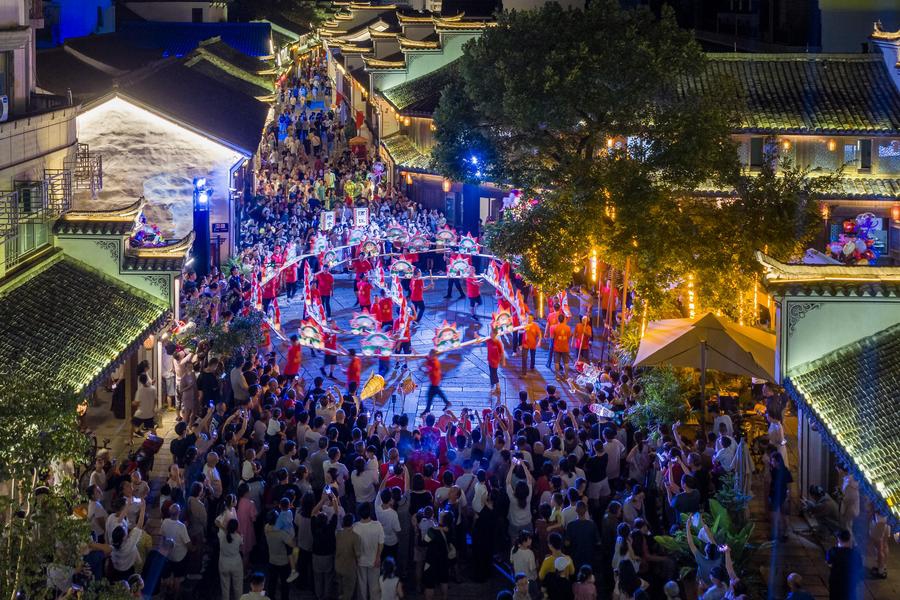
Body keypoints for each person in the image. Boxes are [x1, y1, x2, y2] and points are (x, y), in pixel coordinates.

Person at [353, 502, 384, 600]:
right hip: (374, 561)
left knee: (361, 587)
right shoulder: (377, 525)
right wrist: (378, 557)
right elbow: (381, 543)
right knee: (374, 587)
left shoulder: (355, 527)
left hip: (360, 561)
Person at [826, 529, 863, 600]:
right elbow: (859, 567)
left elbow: (829, 563)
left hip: (836, 582)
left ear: (838, 539)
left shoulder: (833, 551)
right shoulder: (855, 553)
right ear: (849, 539)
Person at [336, 514, 361, 600]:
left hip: (338, 566)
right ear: (352, 523)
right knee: (348, 591)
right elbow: (358, 554)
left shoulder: (338, 534)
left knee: (340, 589)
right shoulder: (355, 536)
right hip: (349, 568)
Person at [219, 518, 243, 600]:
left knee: (225, 587)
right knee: (238, 587)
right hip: (236, 563)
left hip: (223, 564)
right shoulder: (238, 537)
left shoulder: (222, 536)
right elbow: (241, 546)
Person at [421, 350, 449, 414]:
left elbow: (428, 372)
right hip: (435, 381)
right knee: (436, 393)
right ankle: (447, 402)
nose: (429, 356)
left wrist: (422, 370)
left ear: (433, 355)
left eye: (430, 355)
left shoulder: (434, 363)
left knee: (431, 395)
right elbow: (428, 359)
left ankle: (428, 409)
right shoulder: (433, 359)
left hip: (434, 381)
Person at [486, 330, 506, 403]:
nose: (490, 334)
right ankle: (493, 387)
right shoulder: (488, 340)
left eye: (491, 333)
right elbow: (480, 340)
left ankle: (498, 387)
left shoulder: (498, 342)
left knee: (494, 374)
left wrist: (503, 361)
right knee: (491, 373)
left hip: (495, 361)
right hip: (490, 360)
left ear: (495, 334)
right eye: (490, 333)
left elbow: (502, 352)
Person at [552, 314, 572, 378]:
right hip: (565, 348)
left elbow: (552, 337)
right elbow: (569, 337)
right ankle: (566, 376)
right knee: (566, 363)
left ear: (558, 319)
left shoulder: (555, 327)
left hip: (557, 347)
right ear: (564, 319)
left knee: (557, 362)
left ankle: (557, 376)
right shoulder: (568, 328)